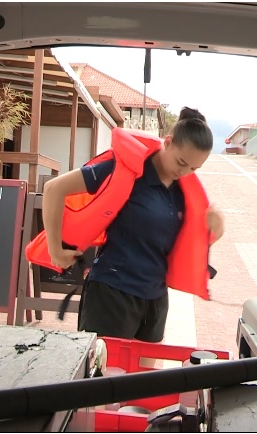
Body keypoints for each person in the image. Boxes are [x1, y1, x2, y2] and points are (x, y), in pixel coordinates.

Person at [39, 107, 224, 342]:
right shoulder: (125, 169)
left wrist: (215, 229)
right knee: (104, 376)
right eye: (181, 162)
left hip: (155, 299)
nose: (185, 172)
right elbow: (54, 189)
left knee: (144, 378)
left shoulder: (184, 192)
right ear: (167, 142)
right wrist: (55, 249)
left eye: (194, 169)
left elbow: (184, 244)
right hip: (112, 292)